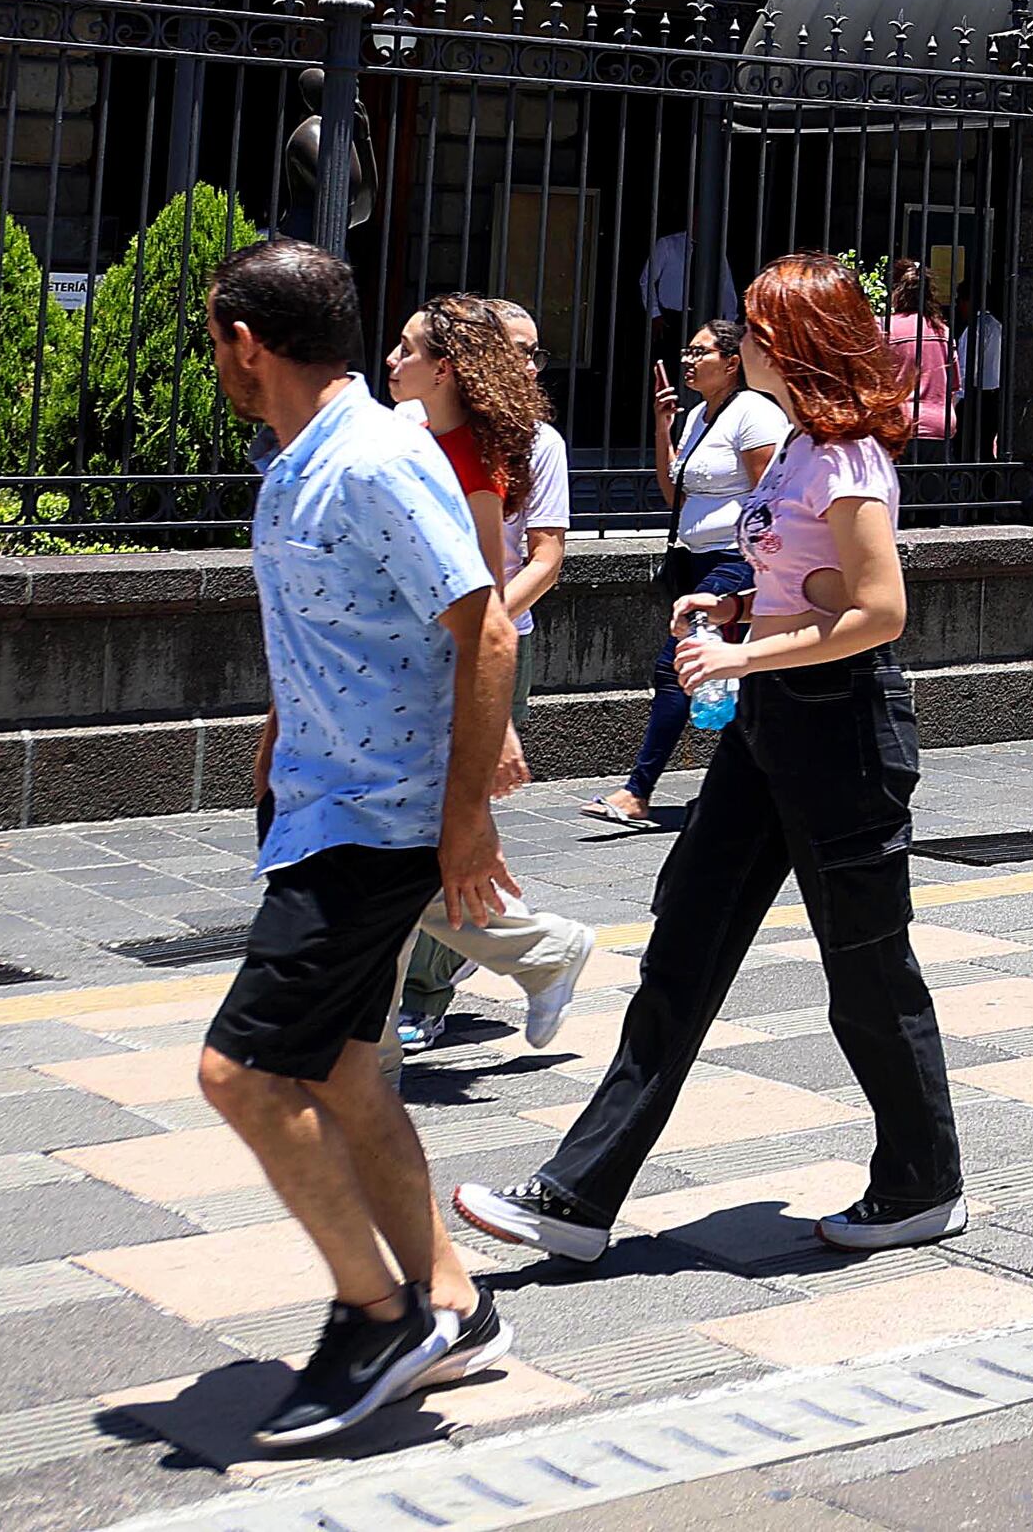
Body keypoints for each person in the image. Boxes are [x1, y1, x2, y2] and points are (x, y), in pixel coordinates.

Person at [456, 252, 970, 1263]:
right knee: (683, 948)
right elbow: (797, 576)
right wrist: (733, 602)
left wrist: (741, 648)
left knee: (866, 973)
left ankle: (922, 1182)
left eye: (756, 327)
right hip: (771, 728)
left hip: (844, 736)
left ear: (797, 341)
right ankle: (576, 1196)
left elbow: (880, 612)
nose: (741, 343)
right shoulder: (788, 453)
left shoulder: (849, 457)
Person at [186, 239, 503, 1450]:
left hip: (373, 827)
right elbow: (350, 625)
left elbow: (484, 630)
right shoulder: (298, 466)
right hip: (325, 802)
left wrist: (463, 820)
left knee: (242, 1074)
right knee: (346, 1071)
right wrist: (282, 720)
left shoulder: (372, 460)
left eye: (214, 341)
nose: (215, 360)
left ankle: (374, 1317)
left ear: (244, 340)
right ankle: (453, 1304)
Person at [381, 296, 598, 1056]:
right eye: (516, 347)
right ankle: (532, 952)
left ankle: (434, 987)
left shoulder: (514, 449)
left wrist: (489, 686)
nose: (529, 363)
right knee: (422, 829)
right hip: (427, 654)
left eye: (536, 350)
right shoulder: (411, 430)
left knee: (443, 825)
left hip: (477, 652)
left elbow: (522, 571)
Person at [598, 317, 785, 830]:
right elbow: (672, 490)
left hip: (732, 560)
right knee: (726, 676)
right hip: (692, 557)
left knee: (677, 664)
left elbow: (768, 498)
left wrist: (754, 570)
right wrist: (663, 425)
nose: (688, 359)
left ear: (731, 362)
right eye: (687, 351)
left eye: (700, 352)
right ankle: (756, 785)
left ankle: (638, 791)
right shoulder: (700, 415)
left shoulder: (754, 414)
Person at [885, 260, 960, 450]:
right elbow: (953, 388)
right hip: (939, 426)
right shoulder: (943, 332)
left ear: (897, 293)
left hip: (900, 425)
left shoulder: (886, 328)